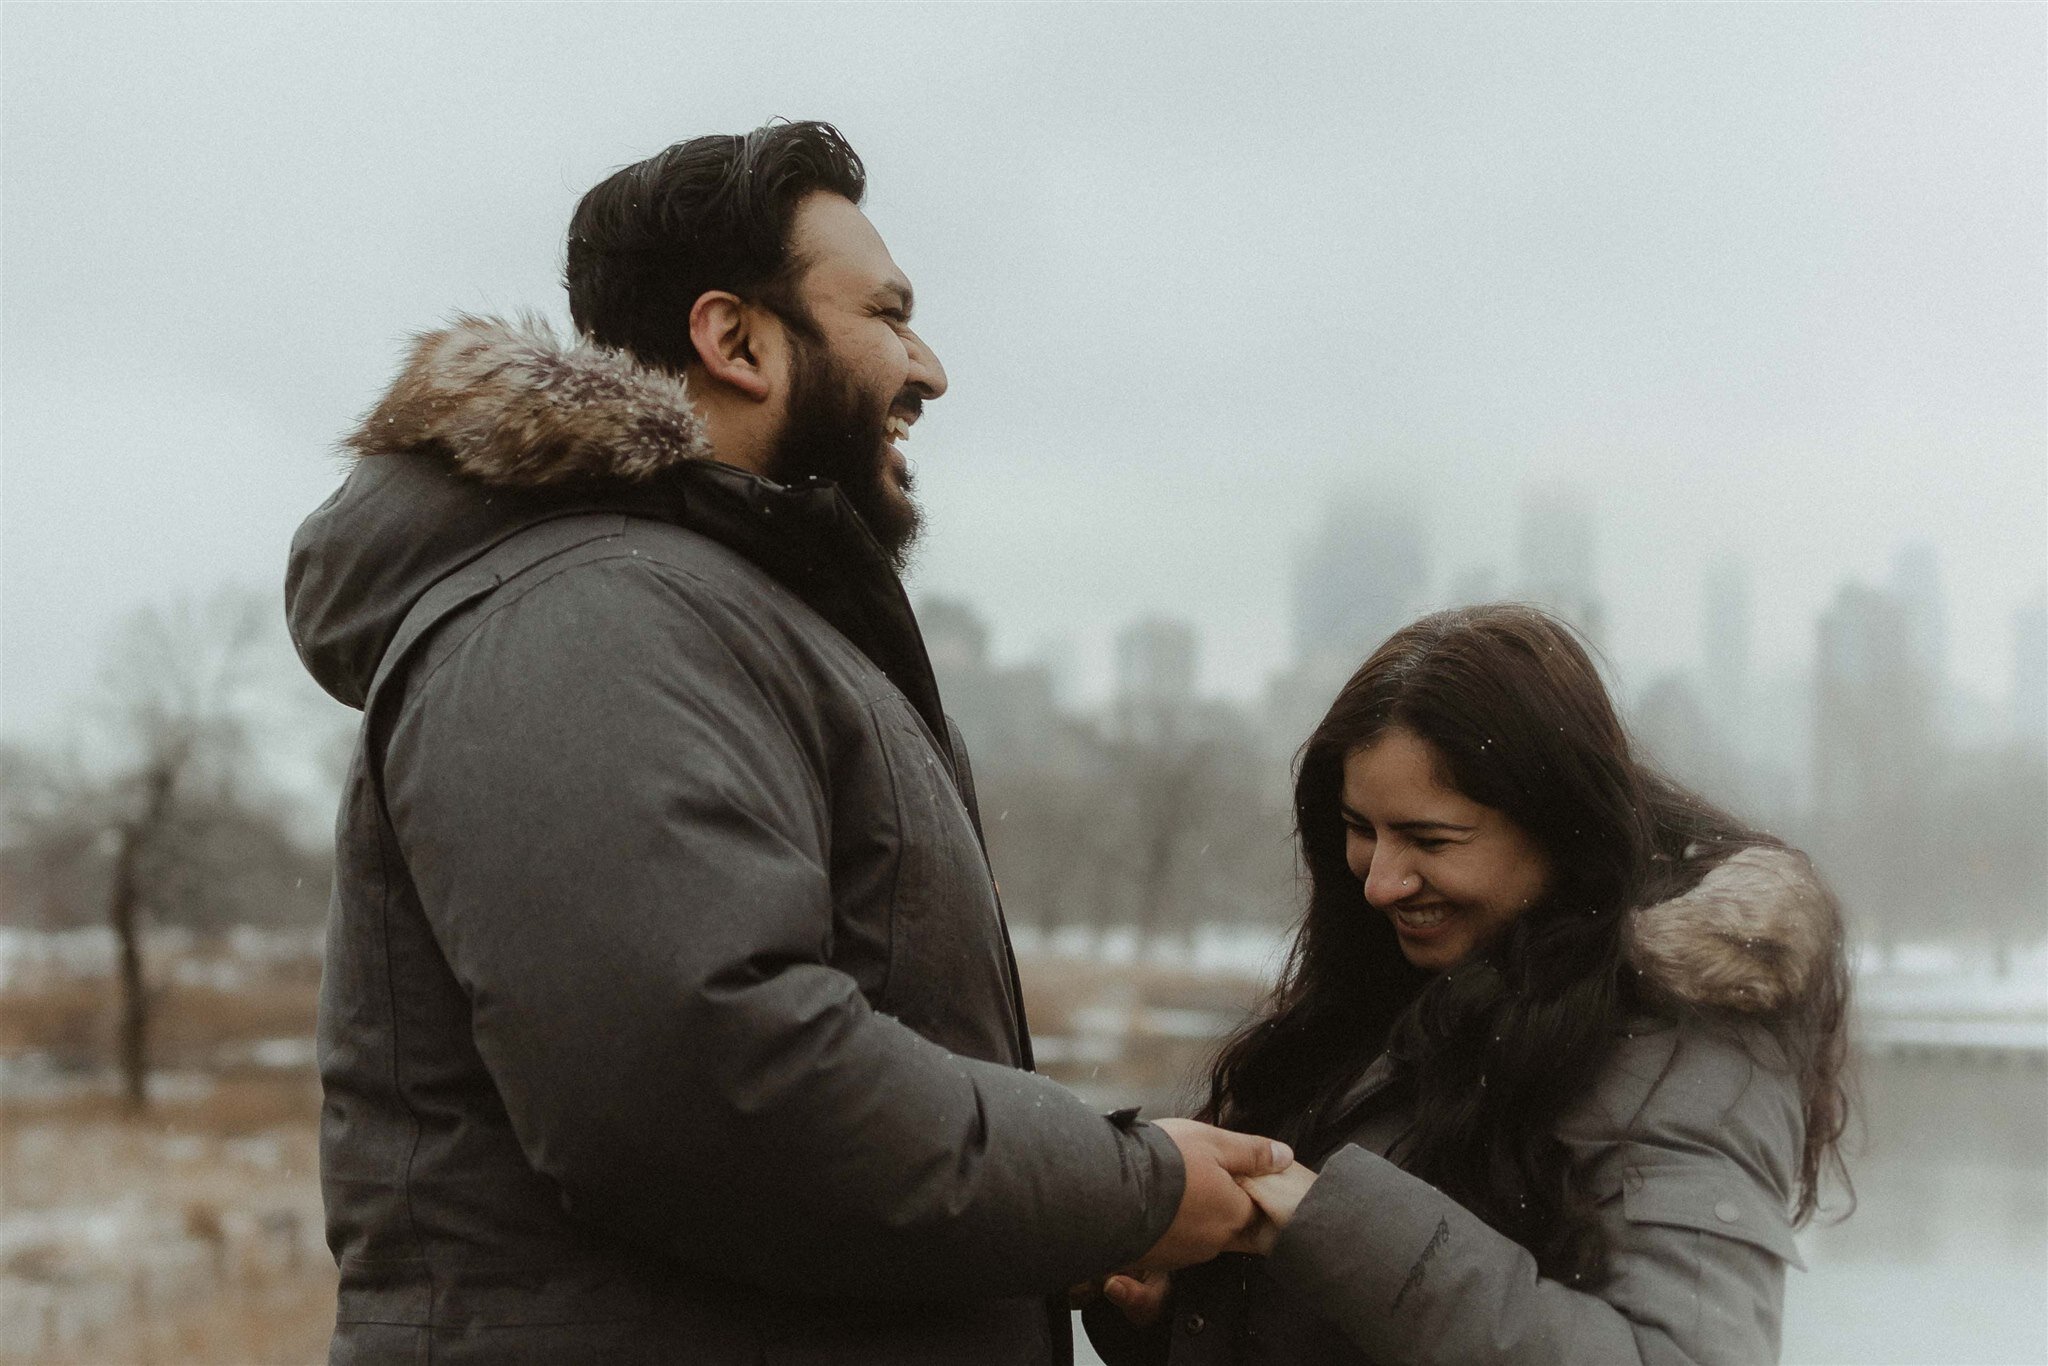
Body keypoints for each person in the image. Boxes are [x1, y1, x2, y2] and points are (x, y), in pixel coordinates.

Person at [285, 120, 1287, 1365]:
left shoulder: (717, 617)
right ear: (736, 340)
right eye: (887, 313)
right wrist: (1126, 1188)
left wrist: (1058, 1244)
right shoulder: (589, 614)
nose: (927, 367)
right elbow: (707, 1089)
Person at [1084, 604, 1852, 1365]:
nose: (1381, 882)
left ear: (1557, 824)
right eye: (1361, 829)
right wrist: (1182, 1301)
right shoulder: (1406, 980)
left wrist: (1336, 1227)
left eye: (1429, 839)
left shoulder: (1683, 1043)